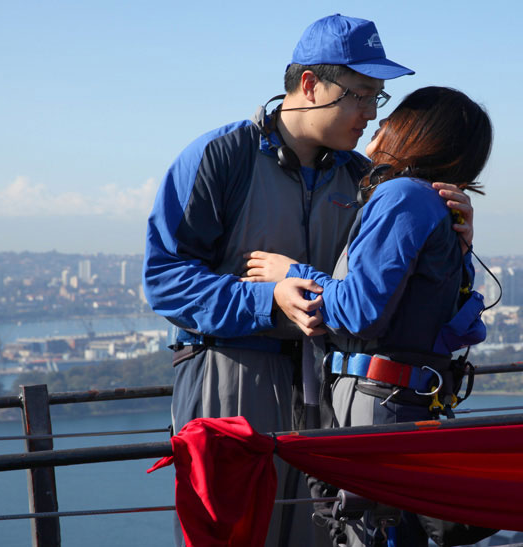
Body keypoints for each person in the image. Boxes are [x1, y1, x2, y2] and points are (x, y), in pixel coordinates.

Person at [142, 14, 475, 547]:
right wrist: (264, 299)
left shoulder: (363, 177)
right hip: (229, 377)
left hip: (330, 387)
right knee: (233, 532)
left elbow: (391, 291)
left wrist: (452, 240)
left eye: (378, 98)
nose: (370, 114)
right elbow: (164, 280)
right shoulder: (221, 158)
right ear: (309, 84)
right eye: (360, 94)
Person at [244, 86, 494, 547]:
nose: (378, 123)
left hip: (376, 401)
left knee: (372, 534)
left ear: (417, 133)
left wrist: (289, 273)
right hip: (405, 398)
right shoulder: (436, 206)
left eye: (392, 116)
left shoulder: (402, 196)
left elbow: (360, 312)